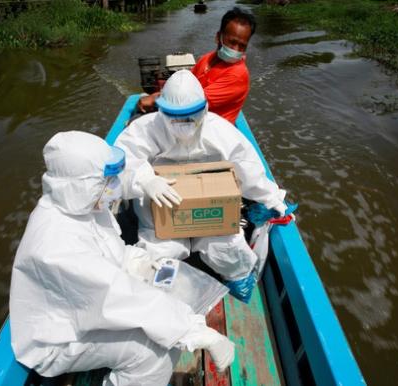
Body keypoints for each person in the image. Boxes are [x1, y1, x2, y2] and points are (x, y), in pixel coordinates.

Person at [9, 131, 234, 385]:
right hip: (58, 336)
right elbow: (115, 295)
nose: (115, 185)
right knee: (151, 354)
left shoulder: (83, 206)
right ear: (83, 185)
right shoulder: (57, 246)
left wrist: (145, 264)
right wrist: (196, 332)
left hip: (88, 307)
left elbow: (115, 256)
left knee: (171, 299)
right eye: (107, 180)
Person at [116, 70, 288, 299]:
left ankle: (238, 279)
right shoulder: (144, 129)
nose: (183, 124)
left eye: (190, 116)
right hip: (159, 204)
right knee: (162, 252)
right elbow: (122, 161)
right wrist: (145, 180)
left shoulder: (220, 131)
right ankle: (158, 294)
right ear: (161, 111)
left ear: (205, 109)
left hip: (209, 207)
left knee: (226, 245)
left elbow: (247, 167)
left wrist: (270, 198)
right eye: (175, 117)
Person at [137, 7, 255, 125]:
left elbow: (191, 101)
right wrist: (161, 92)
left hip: (210, 131)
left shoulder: (237, 75)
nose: (236, 50)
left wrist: (155, 99)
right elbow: (187, 83)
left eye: (242, 46)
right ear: (218, 37)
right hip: (191, 120)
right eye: (232, 42)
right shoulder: (207, 58)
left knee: (136, 124)